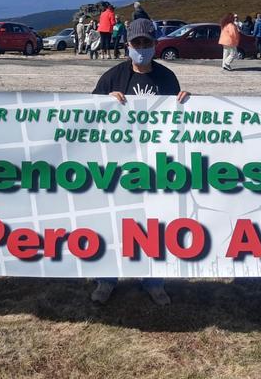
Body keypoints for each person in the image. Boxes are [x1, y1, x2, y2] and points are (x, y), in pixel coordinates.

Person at [91, 18, 190, 306]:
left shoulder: (168, 78)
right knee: (114, 222)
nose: (143, 48)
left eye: (148, 43)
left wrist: (187, 103)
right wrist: (104, 102)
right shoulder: (112, 77)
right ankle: (106, 280)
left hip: (155, 165)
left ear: (155, 45)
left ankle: (154, 282)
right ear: (128, 45)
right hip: (119, 165)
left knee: (154, 224)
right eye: (137, 43)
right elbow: (88, 120)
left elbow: (180, 122)